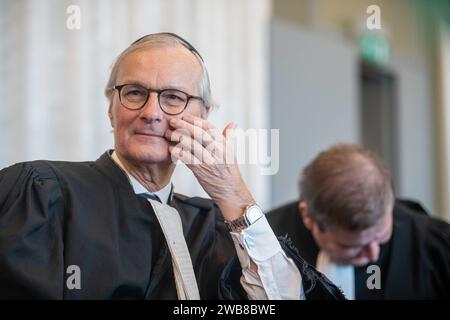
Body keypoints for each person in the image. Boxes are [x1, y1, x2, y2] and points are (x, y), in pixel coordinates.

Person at [0, 33, 344, 300]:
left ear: (202, 117)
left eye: (174, 98)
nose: (151, 112)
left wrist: (233, 193)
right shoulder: (43, 192)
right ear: (111, 109)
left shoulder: (216, 225)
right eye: (134, 93)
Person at [267, 143, 450, 299]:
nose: (373, 255)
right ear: (308, 217)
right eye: (351, 246)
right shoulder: (259, 248)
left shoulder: (439, 247)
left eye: (381, 236)